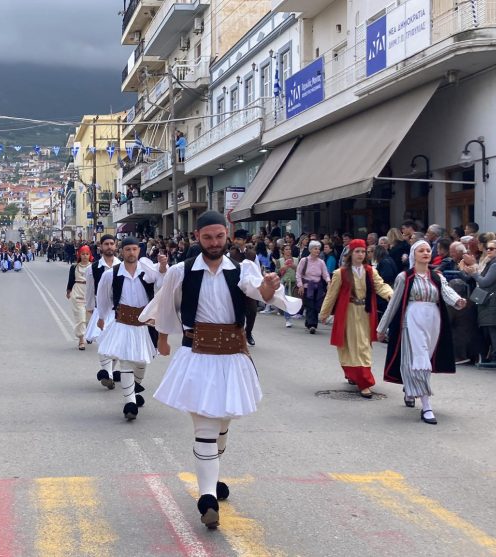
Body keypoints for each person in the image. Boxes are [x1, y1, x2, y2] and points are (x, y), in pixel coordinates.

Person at [140, 211, 299, 529]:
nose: (214, 243)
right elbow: (164, 305)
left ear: (227, 236)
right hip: (197, 354)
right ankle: (207, 497)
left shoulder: (241, 270)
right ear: (197, 237)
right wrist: (162, 339)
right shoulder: (180, 271)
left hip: (232, 356)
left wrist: (270, 286)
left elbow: (263, 294)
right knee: (205, 429)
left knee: (222, 424)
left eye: (219, 237)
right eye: (208, 237)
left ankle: (213, 477)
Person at [378, 241, 465, 423]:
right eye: (421, 250)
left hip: (433, 320)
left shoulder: (436, 276)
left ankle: (410, 390)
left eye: (427, 250)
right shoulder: (405, 277)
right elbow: (394, 303)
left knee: (423, 358)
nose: (425, 253)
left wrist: (457, 300)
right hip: (412, 320)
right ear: (413, 255)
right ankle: (426, 406)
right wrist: (382, 327)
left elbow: (446, 291)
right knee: (421, 361)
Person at [95, 237, 166, 420]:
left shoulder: (147, 271)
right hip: (123, 322)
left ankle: (133, 390)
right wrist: (102, 317)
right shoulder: (111, 274)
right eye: (128, 249)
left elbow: (162, 283)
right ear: (122, 251)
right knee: (126, 361)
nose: (131, 252)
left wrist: (163, 268)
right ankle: (130, 403)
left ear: (139, 251)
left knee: (142, 361)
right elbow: (103, 297)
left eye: (134, 249)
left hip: (144, 323)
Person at [319, 239, 394, 398]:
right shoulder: (341, 273)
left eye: (363, 251)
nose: (361, 254)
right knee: (350, 346)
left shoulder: (370, 271)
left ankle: (361, 378)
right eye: (357, 251)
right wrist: (324, 313)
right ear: (351, 254)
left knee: (363, 346)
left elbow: (380, 285)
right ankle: (363, 381)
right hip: (348, 313)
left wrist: (391, 295)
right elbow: (331, 295)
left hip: (366, 313)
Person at [470, 240, 496, 367]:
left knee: (493, 328)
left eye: (492, 248)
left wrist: (474, 274)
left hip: (495, 300)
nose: (488, 250)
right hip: (492, 299)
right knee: (491, 328)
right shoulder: (493, 263)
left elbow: (484, 282)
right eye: (487, 248)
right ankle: (494, 355)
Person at [86, 235, 120, 389]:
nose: (109, 247)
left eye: (112, 244)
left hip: (119, 310)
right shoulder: (92, 268)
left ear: (116, 245)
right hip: (102, 310)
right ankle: (108, 374)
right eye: (106, 244)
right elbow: (90, 290)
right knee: (103, 341)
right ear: (100, 246)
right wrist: (89, 309)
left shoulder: (123, 265)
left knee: (116, 344)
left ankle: (109, 373)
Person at [297, 240, 330, 334]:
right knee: (310, 306)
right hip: (307, 287)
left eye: (318, 249)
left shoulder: (321, 262)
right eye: (315, 249)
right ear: (311, 250)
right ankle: (312, 325)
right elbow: (298, 274)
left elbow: (325, 274)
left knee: (316, 306)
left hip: (318, 287)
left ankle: (309, 322)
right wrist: (300, 285)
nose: (317, 251)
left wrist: (328, 281)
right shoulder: (304, 260)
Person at [66, 245, 93, 350]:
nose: (85, 256)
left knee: (88, 318)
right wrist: (68, 291)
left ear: (89, 255)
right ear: (79, 255)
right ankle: (81, 339)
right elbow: (71, 280)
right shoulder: (74, 267)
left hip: (89, 292)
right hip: (78, 291)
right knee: (80, 317)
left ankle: (89, 332)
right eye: (83, 254)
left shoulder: (93, 266)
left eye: (87, 254)